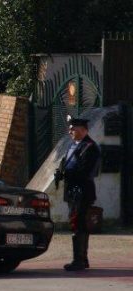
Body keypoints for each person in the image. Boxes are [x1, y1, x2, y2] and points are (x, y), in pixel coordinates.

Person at [54, 116, 101, 271]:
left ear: (83, 130)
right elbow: (68, 164)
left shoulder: (90, 147)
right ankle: (82, 259)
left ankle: (79, 260)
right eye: (70, 128)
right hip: (72, 191)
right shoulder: (73, 145)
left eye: (73, 128)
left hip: (82, 191)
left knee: (78, 223)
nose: (70, 131)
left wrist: (67, 174)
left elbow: (85, 171)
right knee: (76, 222)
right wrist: (60, 173)